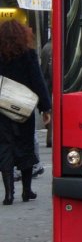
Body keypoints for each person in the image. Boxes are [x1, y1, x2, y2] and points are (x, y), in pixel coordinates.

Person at [0, 20, 51, 205]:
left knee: (5, 148)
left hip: (2, 111)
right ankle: (26, 190)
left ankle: (8, 194)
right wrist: (45, 108)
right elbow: (38, 81)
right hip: (24, 110)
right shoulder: (28, 54)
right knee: (26, 147)